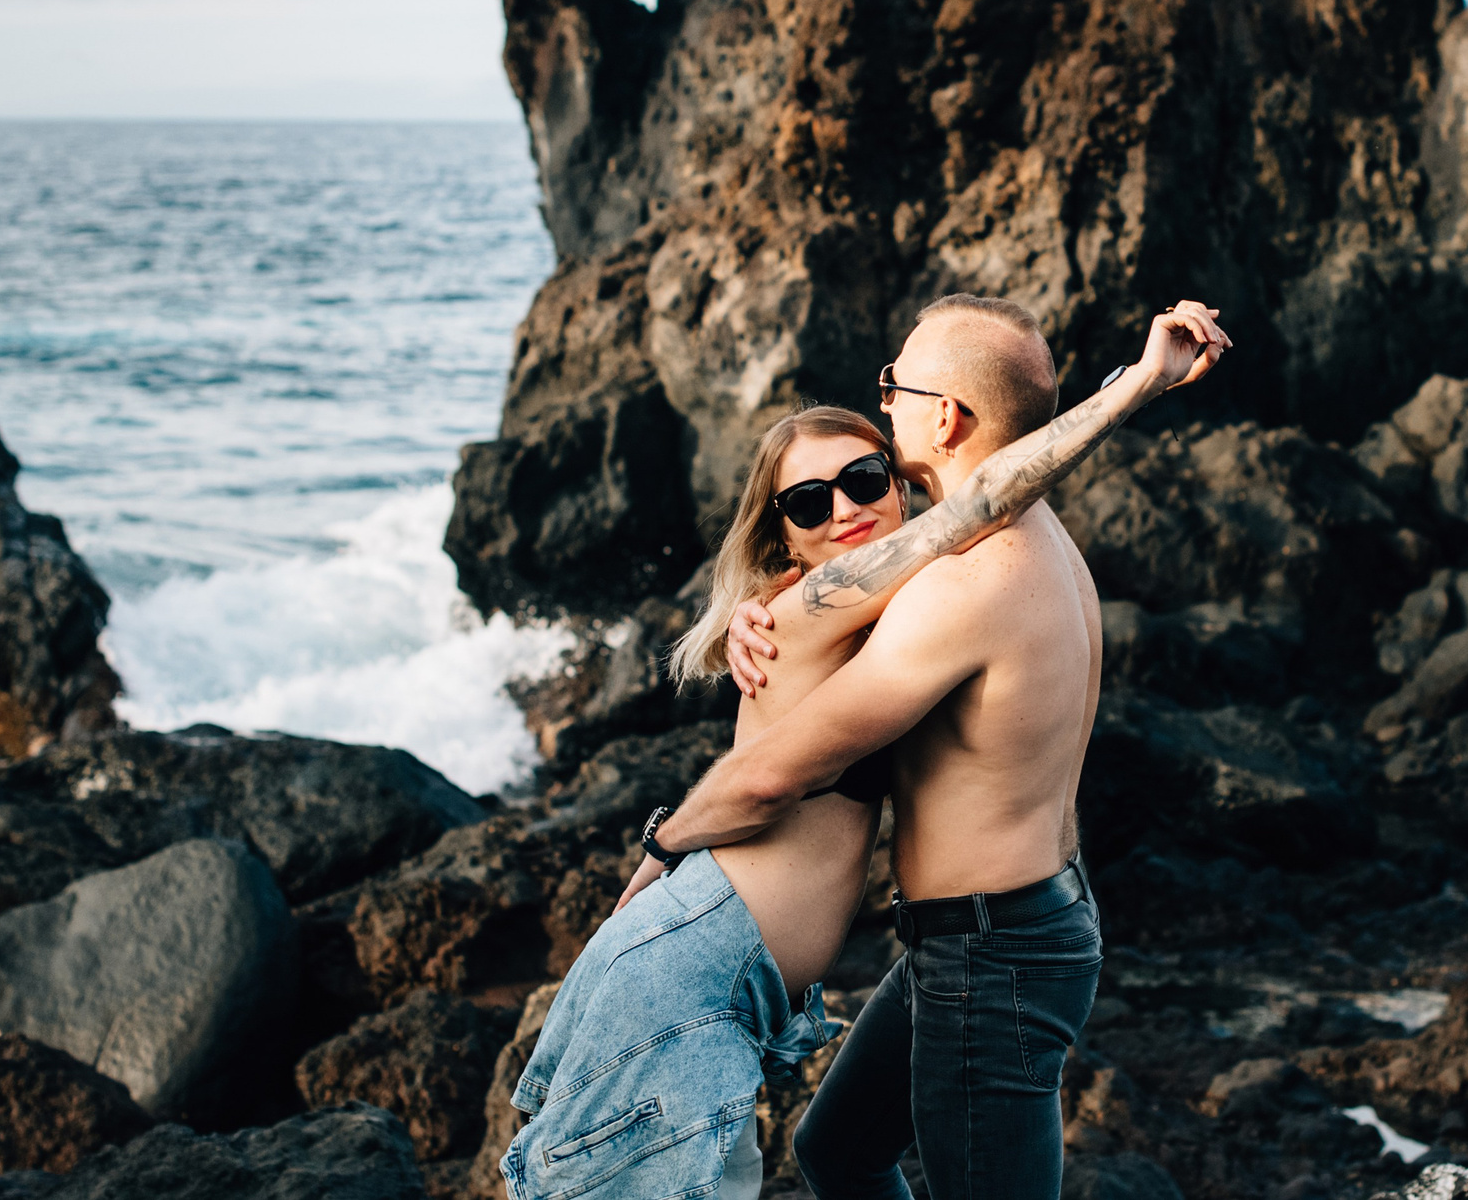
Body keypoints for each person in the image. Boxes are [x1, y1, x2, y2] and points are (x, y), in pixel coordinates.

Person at [499, 298, 1230, 1200]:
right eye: (809, 501)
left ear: (943, 419)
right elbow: (982, 494)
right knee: (839, 1150)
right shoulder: (1017, 549)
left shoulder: (962, 577)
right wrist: (764, 614)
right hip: (983, 926)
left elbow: (774, 770)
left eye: (892, 394)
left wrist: (659, 842)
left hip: (992, 945)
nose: (881, 407)